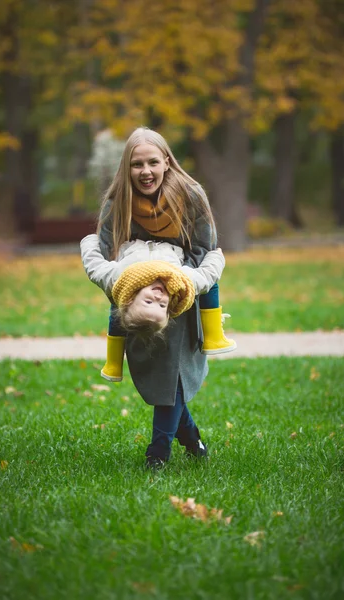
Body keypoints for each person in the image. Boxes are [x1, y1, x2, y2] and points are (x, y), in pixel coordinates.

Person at [84, 126, 234, 469]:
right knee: (160, 373)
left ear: (167, 161)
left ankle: (158, 454)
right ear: (127, 167)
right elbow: (106, 252)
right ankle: (192, 438)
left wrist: (174, 284)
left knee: (175, 374)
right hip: (137, 297)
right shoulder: (116, 201)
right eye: (137, 164)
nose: (146, 172)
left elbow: (204, 249)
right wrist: (133, 288)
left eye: (153, 162)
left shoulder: (191, 194)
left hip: (180, 290)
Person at [80, 234, 234, 382]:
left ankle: (113, 362)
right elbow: (207, 276)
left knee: (115, 303)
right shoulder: (182, 283)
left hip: (133, 238)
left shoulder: (116, 278)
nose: (158, 298)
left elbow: (93, 265)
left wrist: (90, 240)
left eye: (148, 302)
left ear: (130, 300)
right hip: (171, 240)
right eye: (162, 305)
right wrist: (216, 256)